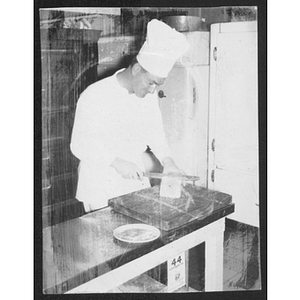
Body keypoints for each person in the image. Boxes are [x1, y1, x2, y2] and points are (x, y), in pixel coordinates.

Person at [70, 19, 190, 212]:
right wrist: (116, 162)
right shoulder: (94, 95)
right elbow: (79, 144)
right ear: (136, 70)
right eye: (151, 82)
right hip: (100, 184)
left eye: (157, 85)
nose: (153, 91)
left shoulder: (147, 99)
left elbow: (157, 134)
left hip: (133, 181)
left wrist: (169, 162)